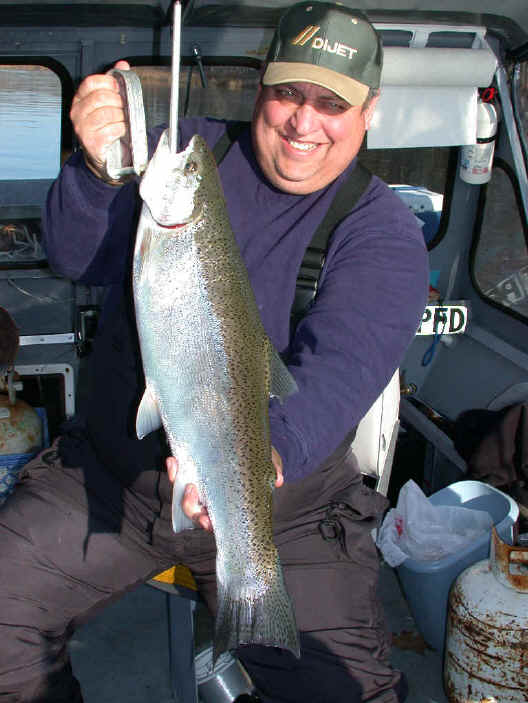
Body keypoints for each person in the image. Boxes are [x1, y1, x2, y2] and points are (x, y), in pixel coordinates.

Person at [0, 2, 428, 702]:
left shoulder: (381, 232)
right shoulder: (186, 154)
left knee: (345, 692)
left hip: (283, 506)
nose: (304, 121)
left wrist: (253, 465)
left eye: (331, 103)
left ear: (368, 111)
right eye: (289, 93)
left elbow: (339, 373)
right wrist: (96, 170)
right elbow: (76, 255)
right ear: (262, 86)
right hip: (110, 477)